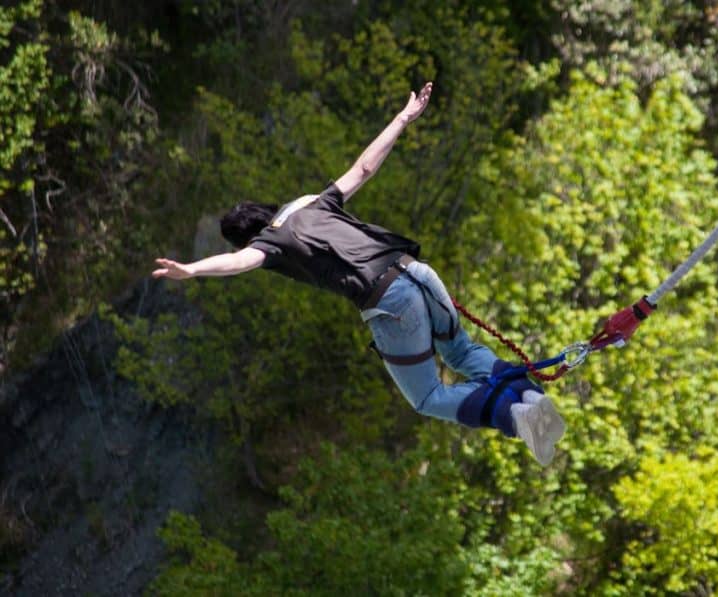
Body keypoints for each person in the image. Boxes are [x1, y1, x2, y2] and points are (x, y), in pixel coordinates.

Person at [152, 83, 565, 465]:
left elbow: (240, 263)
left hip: (391, 303)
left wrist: (191, 269)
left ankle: (514, 416)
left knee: (425, 396)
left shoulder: (270, 243)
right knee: (459, 351)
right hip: (417, 271)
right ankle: (528, 395)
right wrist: (402, 118)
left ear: (247, 238)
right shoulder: (310, 203)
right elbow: (364, 169)